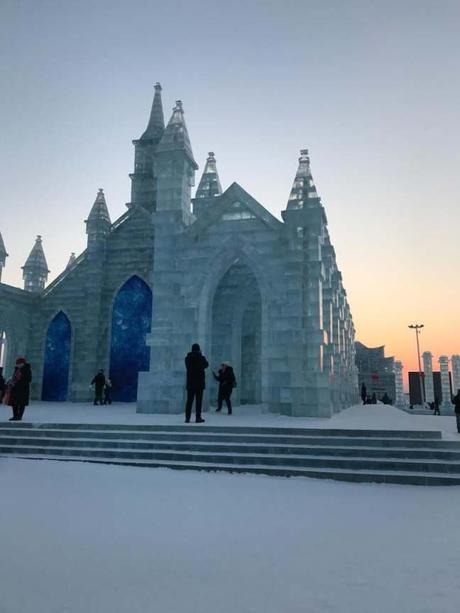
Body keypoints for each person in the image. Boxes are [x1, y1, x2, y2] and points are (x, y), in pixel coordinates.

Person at [184, 343, 209, 423]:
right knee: (198, 401)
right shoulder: (201, 358)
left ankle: (187, 418)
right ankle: (198, 417)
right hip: (199, 383)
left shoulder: (187, 358)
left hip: (190, 383)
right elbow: (206, 365)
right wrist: (200, 355)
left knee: (189, 401)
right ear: (198, 349)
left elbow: (188, 366)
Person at [8, 357, 32, 421]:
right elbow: (13, 377)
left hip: (23, 389)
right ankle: (15, 416)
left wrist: (20, 379)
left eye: (19, 363)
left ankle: (19, 416)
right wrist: (11, 381)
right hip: (15, 389)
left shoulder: (27, 369)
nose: (18, 365)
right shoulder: (16, 369)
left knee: (21, 403)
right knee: (14, 403)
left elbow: (29, 379)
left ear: (23, 363)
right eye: (17, 364)